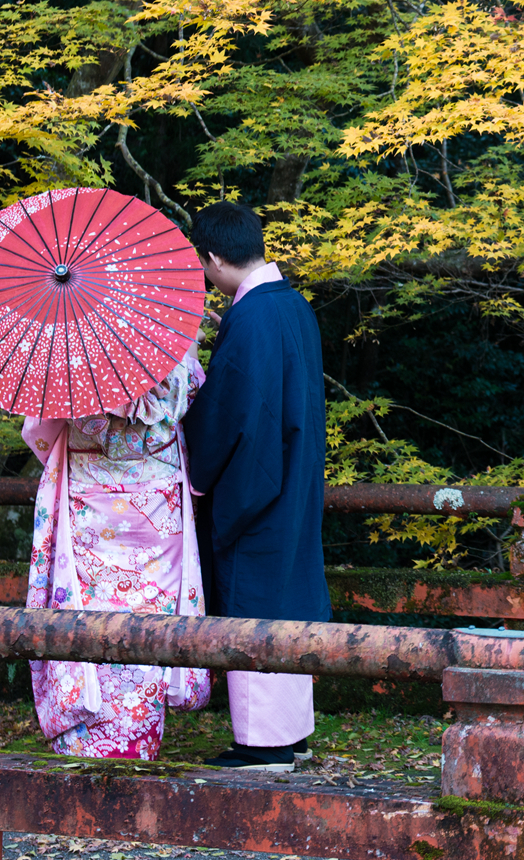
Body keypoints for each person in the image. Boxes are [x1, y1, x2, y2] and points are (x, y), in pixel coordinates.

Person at [183, 201, 331, 771]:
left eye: (204, 263)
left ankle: (263, 745)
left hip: (260, 488)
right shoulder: (291, 306)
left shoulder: (251, 320)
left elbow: (230, 414)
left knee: (255, 601)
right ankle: (291, 735)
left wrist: (197, 468)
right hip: (293, 477)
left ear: (214, 257)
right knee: (288, 596)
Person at [23, 352, 212, 759]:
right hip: (157, 511)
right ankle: (140, 740)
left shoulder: (71, 352)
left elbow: (40, 430)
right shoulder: (165, 344)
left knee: (85, 609)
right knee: (152, 614)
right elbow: (195, 399)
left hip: (90, 505)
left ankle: (86, 738)